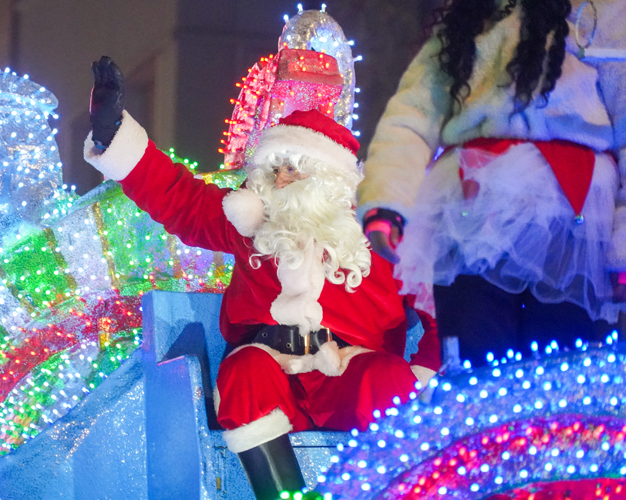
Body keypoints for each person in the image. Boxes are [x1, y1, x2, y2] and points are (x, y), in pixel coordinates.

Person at [85, 56, 440, 500]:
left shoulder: (379, 236)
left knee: (390, 380)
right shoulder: (251, 226)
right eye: (274, 169)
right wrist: (113, 134)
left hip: (349, 372)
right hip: (273, 369)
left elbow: (438, 307)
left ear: (331, 180)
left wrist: (426, 372)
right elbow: (179, 197)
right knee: (244, 371)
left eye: (294, 168)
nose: (281, 179)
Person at [358, 0, 626, 368]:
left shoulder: (604, 13)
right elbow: (413, 115)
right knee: (477, 365)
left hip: (572, 218)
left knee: (559, 372)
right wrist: (387, 201)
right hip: (474, 206)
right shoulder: (470, 16)